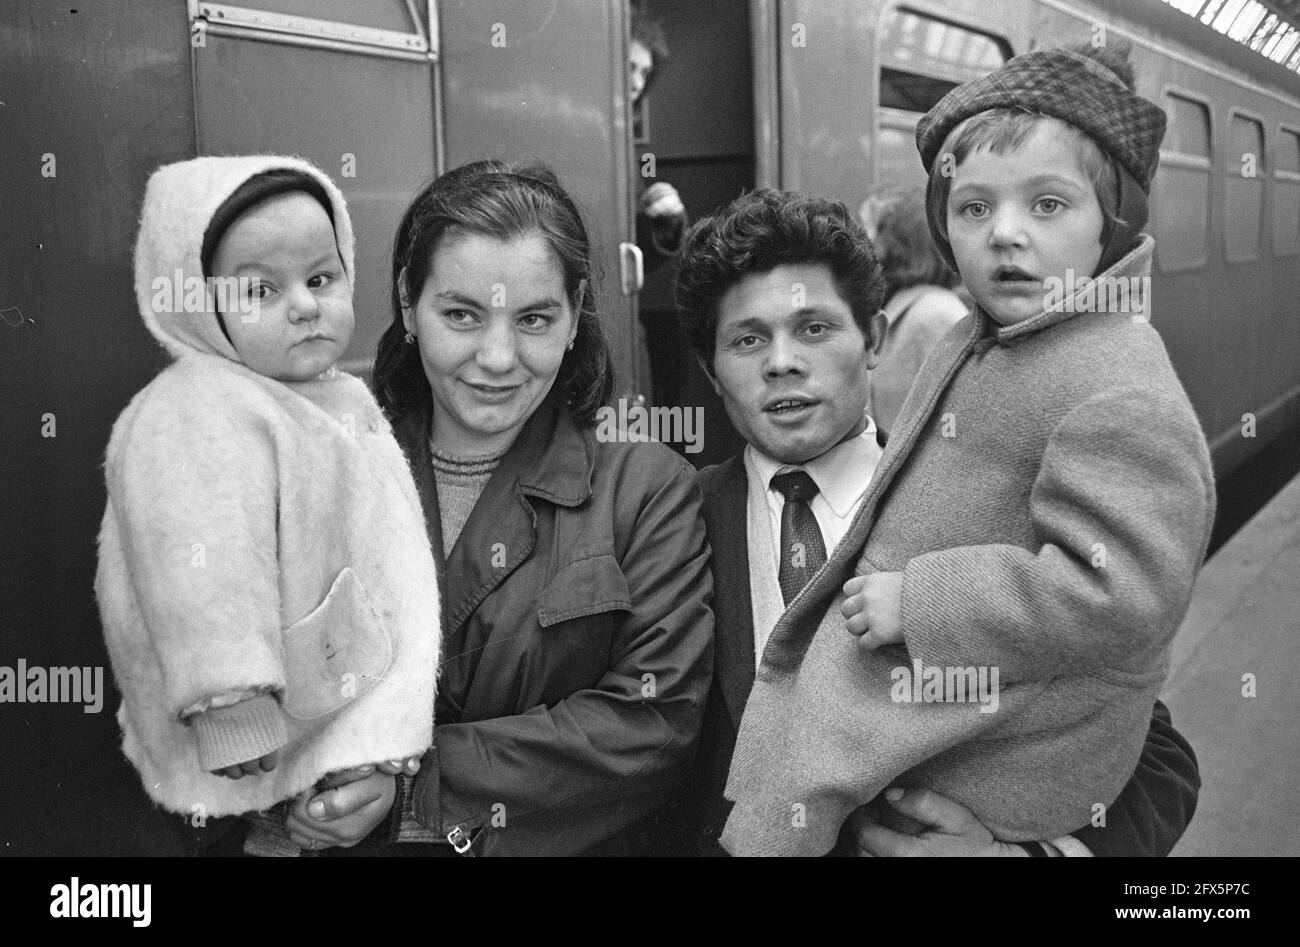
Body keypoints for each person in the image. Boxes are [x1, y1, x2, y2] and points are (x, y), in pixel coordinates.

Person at [720, 42, 1215, 856]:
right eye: (974, 208)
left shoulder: (1116, 382)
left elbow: (1120, 594)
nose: (1006, 235)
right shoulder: (972, 336)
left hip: (994, 778)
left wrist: (922, 603)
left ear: (1114, 221)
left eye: (1048, 205)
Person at [282, 160, 714, 856]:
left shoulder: (647, 491)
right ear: (405, 304)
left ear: (575, 317)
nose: (498, 356)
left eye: (535, 318)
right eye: (462, 314)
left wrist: (415, 785)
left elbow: (652, 724)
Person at [96, 156, 439, 852]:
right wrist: (230, 703)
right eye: (261, 289)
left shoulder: (330, 390)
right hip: (252, 719)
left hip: (318, 689)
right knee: (262, 813)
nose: (306, 304)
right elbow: (199, 569)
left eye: (321, 278)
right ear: (199, 301)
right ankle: (267, 830)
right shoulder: (195, 410)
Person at [859, 186, 968, 437]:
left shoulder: (936, 313)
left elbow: (958, 424)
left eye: (871, 228)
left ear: (897, 240)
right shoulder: (901, 305)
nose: (863, 239)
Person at [629, 7, 690, 406]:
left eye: (643, 73)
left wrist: (665, 220)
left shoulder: (625, 140)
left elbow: (636, 251)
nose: (636, 83)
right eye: (630, 68)